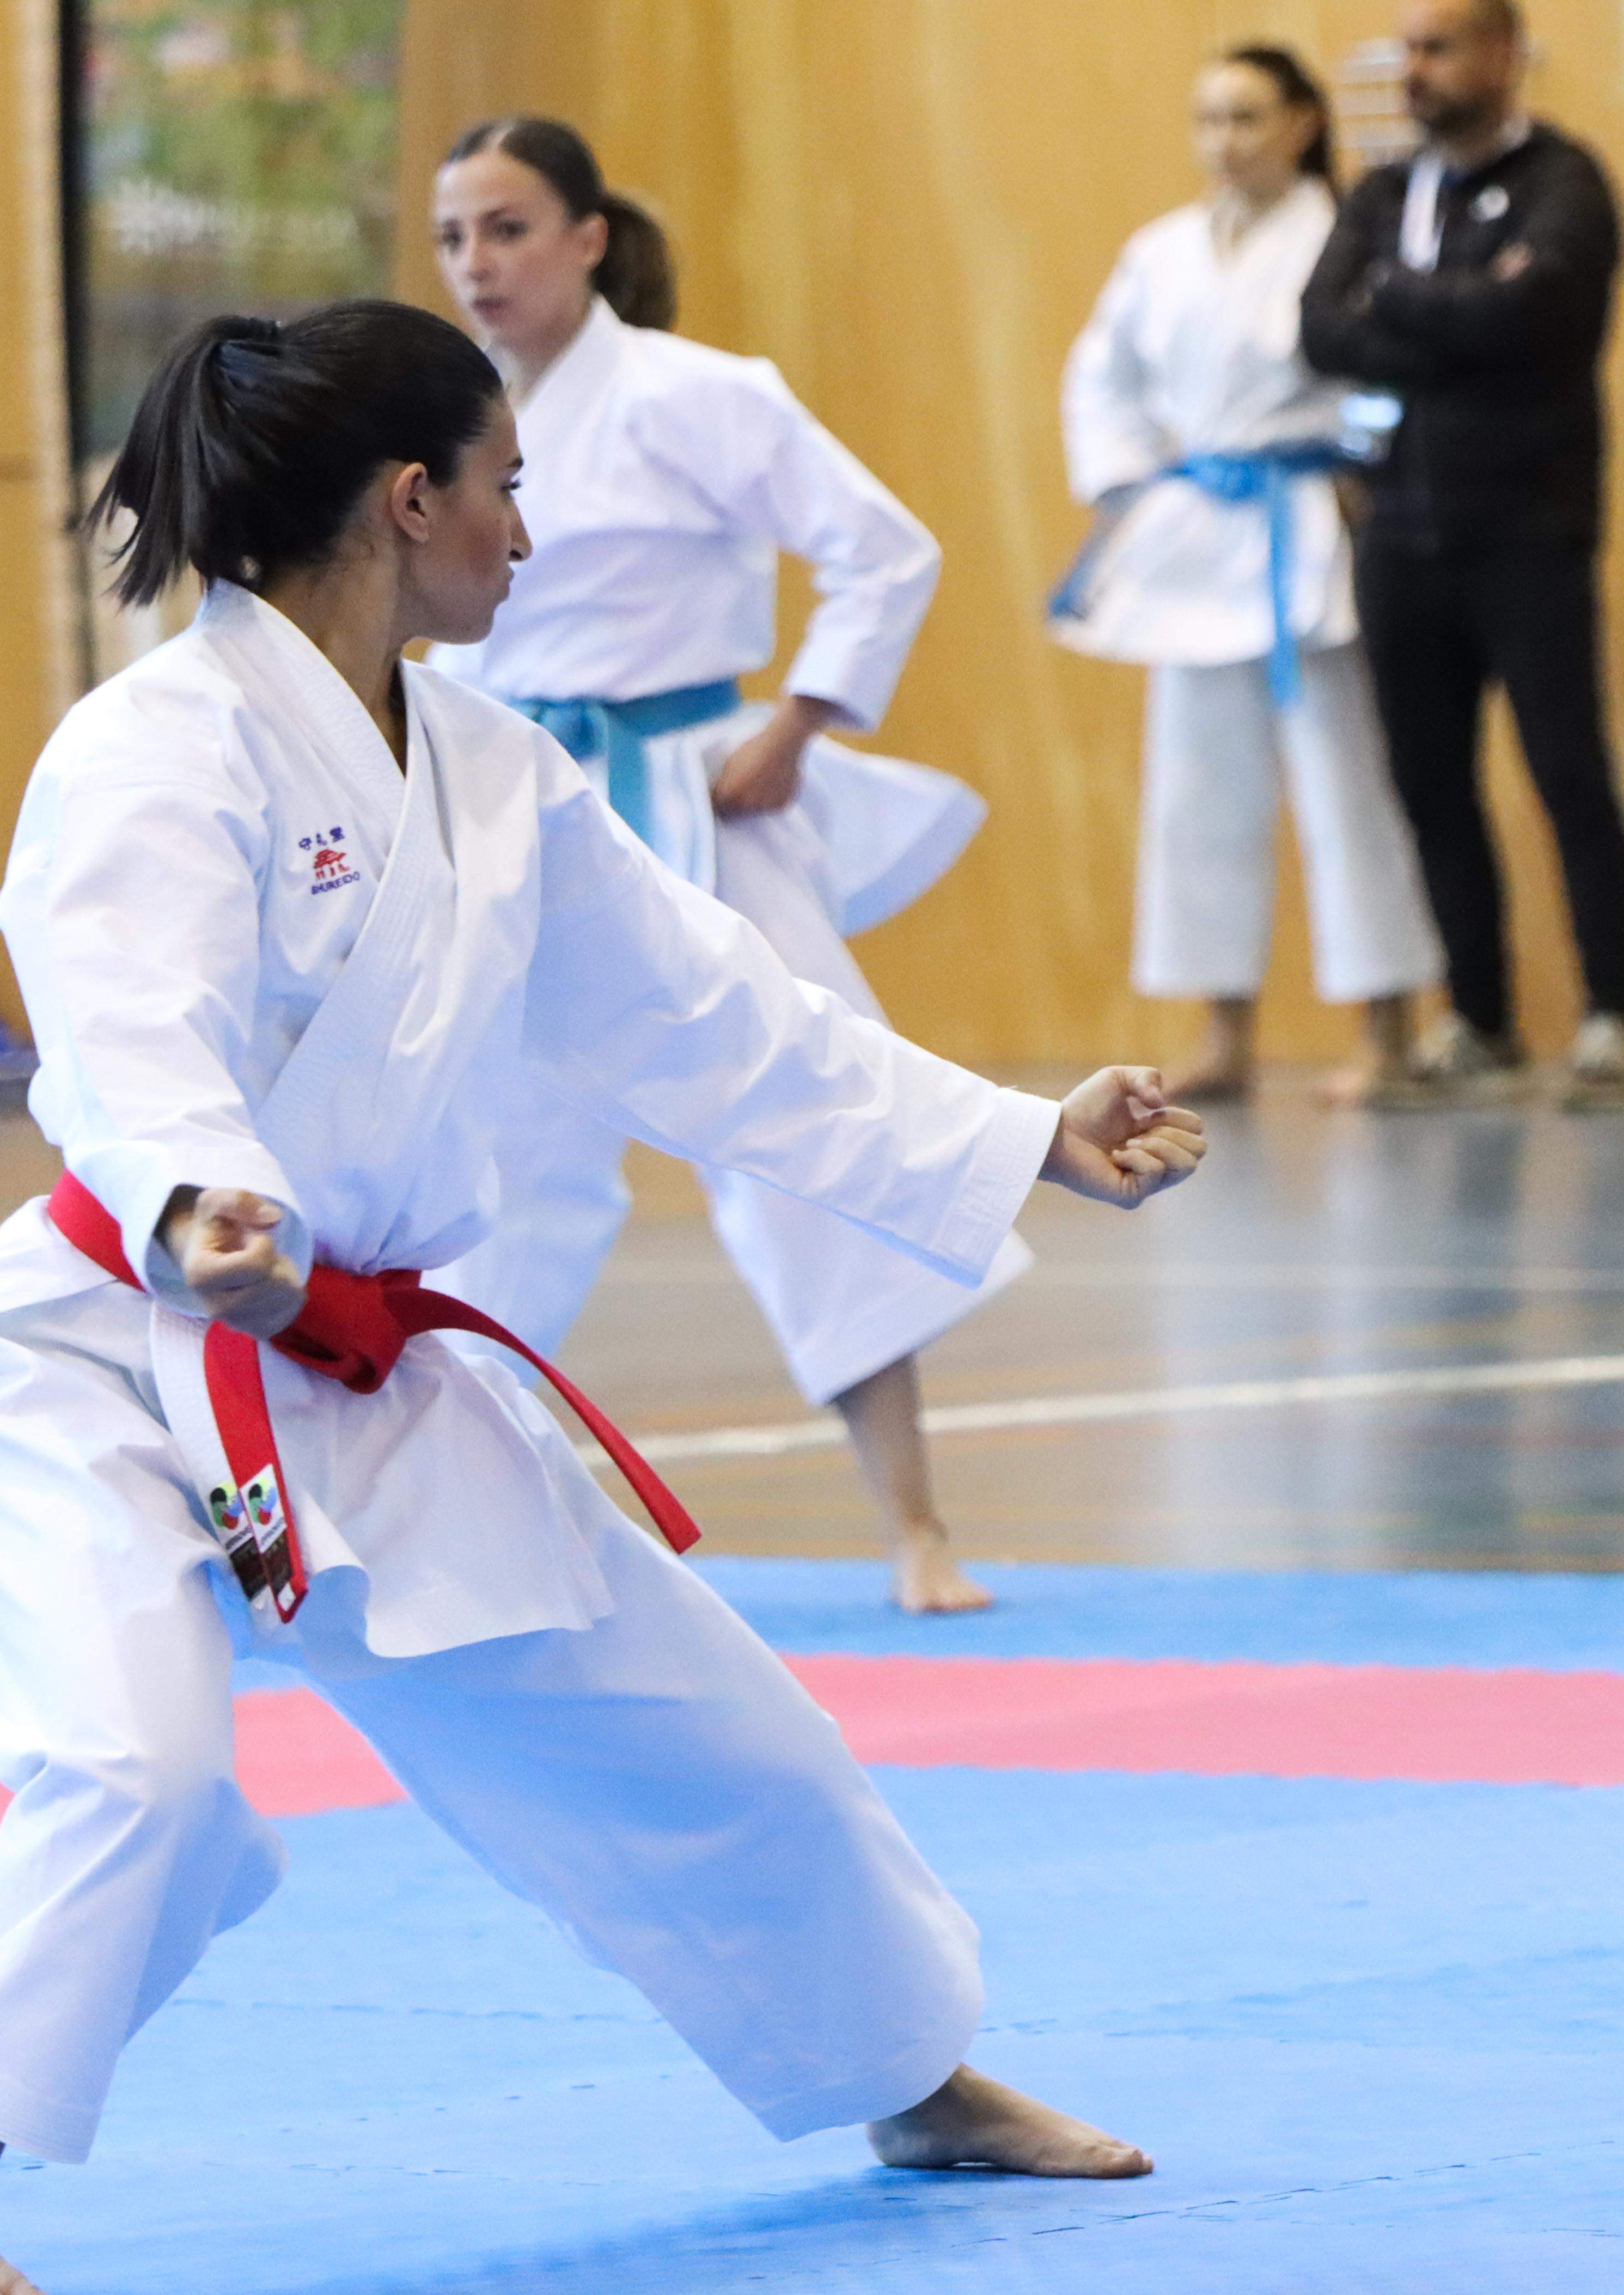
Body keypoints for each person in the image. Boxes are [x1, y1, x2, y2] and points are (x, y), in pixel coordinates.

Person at [0, 300, 1201, 2295]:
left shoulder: (495, 772)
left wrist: (1018, 1133)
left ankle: (904, 2080)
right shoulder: (152, 744)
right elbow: (127, 1007)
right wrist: (201, 1189)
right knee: (134, 1771)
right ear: (410, 501)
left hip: (368, 1360)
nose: (524, 528)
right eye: (505, 485)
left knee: (720, 1739)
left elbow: (714, 1016)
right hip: (123, 1351)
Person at [423, 117, 1009, 1615]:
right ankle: (441, 1517)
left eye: (505, 228)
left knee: (807, 1135)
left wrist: (802, 721)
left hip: (700, 807)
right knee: (487, 1164)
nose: (476, 265)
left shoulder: (700, 396)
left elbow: (887, 550)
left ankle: (918, 1525)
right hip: (511, 814)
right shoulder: (435, 412)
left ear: (586, 236)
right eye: (452, 239)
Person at [1057, 44, 1444, 1106]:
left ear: (1304, 124)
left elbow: (1390, 379)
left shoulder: (1344, 238)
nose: (1222, 141)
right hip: (1195, 538)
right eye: (1207, 119)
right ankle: (1223, 1032)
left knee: (1346, 787)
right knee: (1196, 796)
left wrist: (1362, 462)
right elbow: (1103, 378)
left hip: (1306, 530)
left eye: (1245, 117)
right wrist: (1139, 482)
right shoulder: (1161, 251)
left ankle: (1389, 1029)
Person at [1298, 0, 1624, 1110]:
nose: (1417, 69)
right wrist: (1454, 307)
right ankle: (1483, 1019)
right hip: (1398, 533)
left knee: (1566, 771)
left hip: (1527, 534)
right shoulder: (1383, 192)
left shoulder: (1565, 184)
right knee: (1429, 782)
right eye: (1407, 48)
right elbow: (1320, 325)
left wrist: (1398, 304)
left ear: (1504, 55)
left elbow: (1536, 318)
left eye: (1439, 47)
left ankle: (1608, 1019)